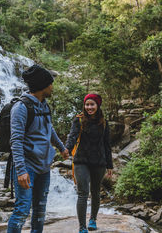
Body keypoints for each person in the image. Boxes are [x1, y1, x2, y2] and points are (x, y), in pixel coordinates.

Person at [7, 64, 69, 233]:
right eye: (50, 83)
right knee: (22, 211)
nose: (52, 87)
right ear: (43, 85)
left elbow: (50, 129)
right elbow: (16, 141)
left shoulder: (44, 105)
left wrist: (61, 147)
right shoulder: (20, 108)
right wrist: (20, 171)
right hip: (27, 166)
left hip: (44, 167)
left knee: (40, 211)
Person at [66, 93, 113, 233]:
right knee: (83, 193)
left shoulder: (104, 123)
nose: (89, 107)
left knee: (96, 191)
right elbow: (72, 136)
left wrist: (109, 164)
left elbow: (107, 144)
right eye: (87, 104)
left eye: (92, 104)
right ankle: (82, 227)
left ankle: (93, 219)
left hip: (99, 162)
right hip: (81, 160)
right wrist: (67, 149)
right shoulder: (79, 120)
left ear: (98, 105)